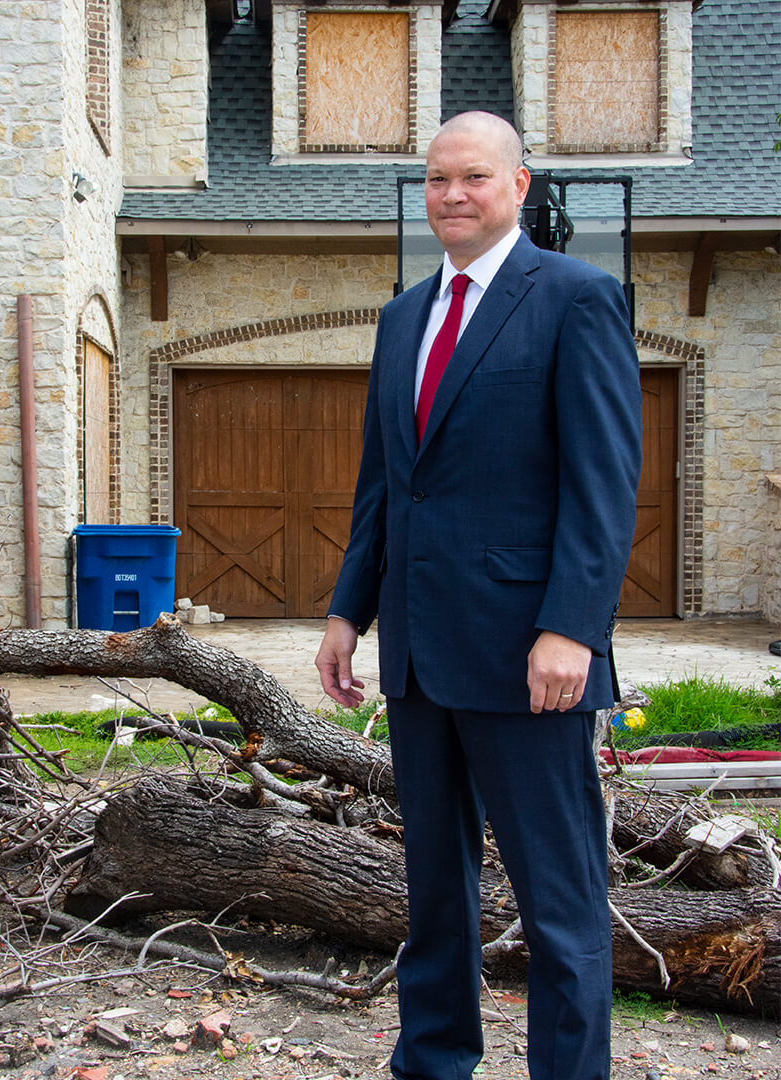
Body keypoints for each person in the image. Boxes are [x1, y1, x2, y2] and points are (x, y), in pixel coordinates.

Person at [313, 111, 641, 1080]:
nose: (452, 194)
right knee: (435, 893)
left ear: (518, 185)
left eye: (473, 177)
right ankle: (434, 1060)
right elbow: (386, 484)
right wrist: (347, 611)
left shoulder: (577, 300)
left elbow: (603, 483)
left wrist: (570, 629)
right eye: (437, 179)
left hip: (529, 658)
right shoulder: (404, 316)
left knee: (561, 900)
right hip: (418, 654)